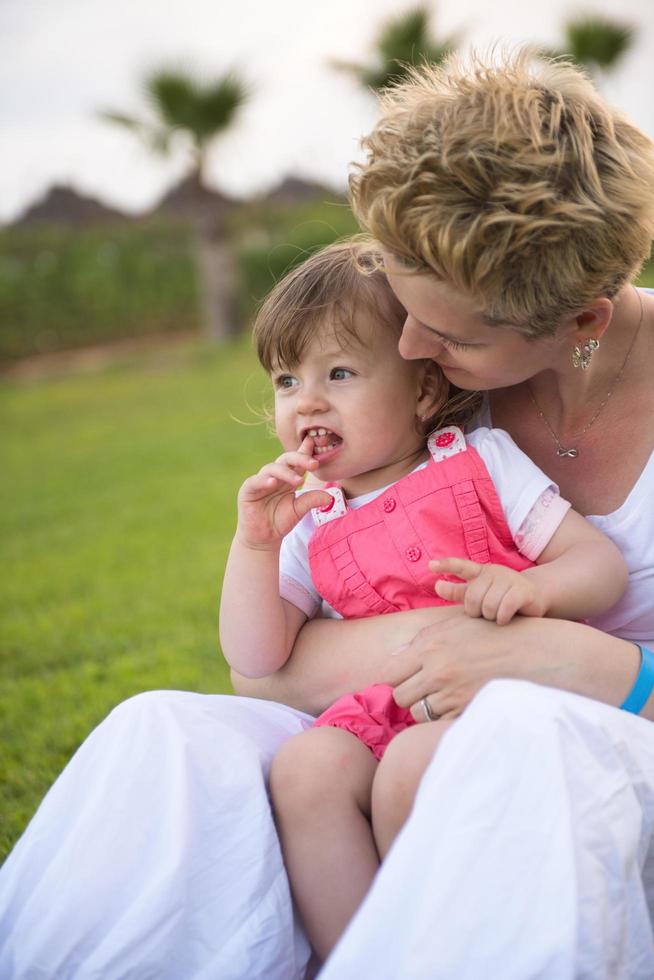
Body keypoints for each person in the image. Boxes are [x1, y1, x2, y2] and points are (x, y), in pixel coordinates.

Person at [1, 47, 654, 980]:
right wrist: (443, 639)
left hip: (602, 743)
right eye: (401, 304)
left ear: (581, 323)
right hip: (397, 716)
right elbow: (264, 675)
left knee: (517, 741)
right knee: (166, 736)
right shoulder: (407, 403)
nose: (409, 345)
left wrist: (597, 666)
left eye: (453, 334)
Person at [220, 239, 627, 962]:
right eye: (286, 381)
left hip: (500, 694)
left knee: (413, 765)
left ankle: (438, 950)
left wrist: (532, 586)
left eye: (339, 373)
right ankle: (360, 958)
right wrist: (254, 546)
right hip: (382, 707)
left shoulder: (479, 460)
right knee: (305, 769)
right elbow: (257, 657)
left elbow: (598, 566)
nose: (307, 401)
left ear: (423, 392)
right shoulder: (307, 516)